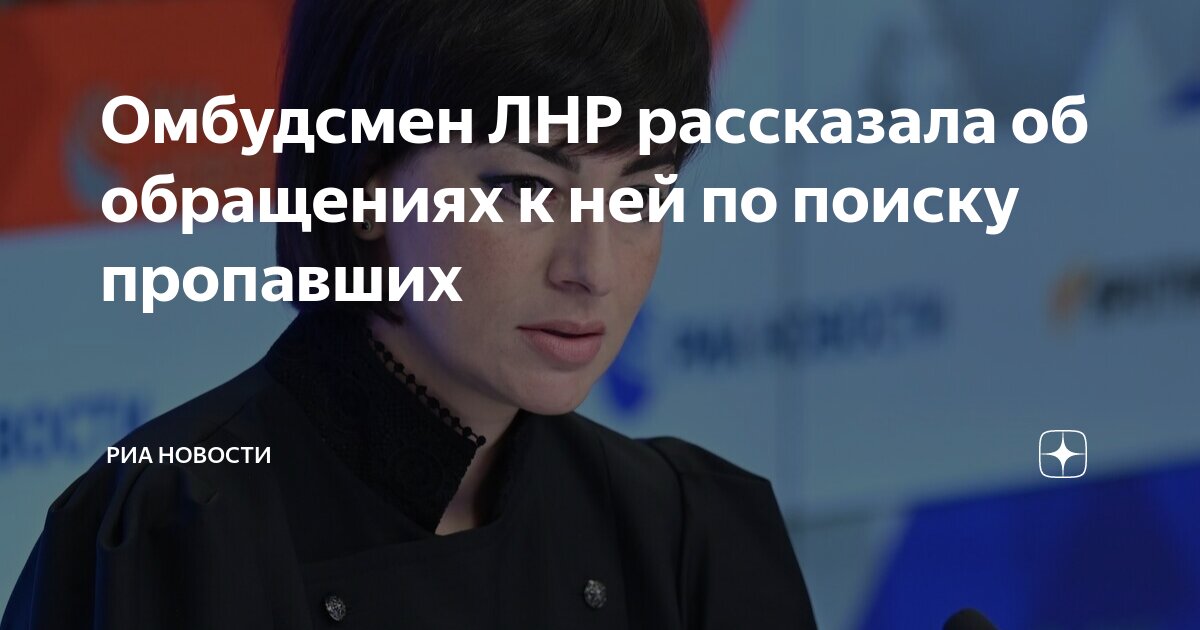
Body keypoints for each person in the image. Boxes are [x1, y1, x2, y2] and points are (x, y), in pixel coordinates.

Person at [2, 0, 818, 627]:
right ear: (363, 186)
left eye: (639, 195)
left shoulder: (684, 533)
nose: (593, 270)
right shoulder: (167, 531)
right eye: (525, 189)